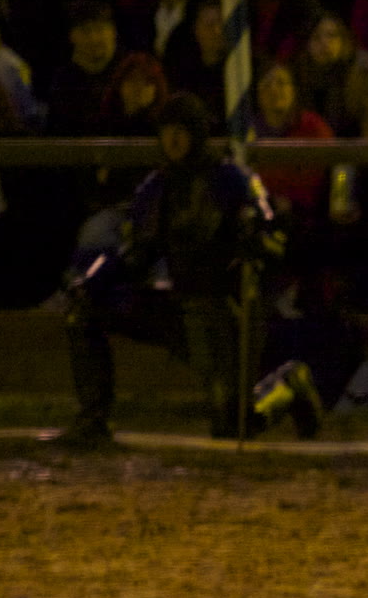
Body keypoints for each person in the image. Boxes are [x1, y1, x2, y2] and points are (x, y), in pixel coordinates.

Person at [61, 93, 281, 446]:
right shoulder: (156, 187)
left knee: (232, 422)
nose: (173, 140)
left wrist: (252, 238)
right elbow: (132, 251)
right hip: (179, 307)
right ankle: (93, 418)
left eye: (181, 131)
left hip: (228, 310)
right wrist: (92, 281)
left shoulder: (232, 179)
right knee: (83, 310)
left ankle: (288, 387)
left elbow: (273, 235)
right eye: (167, 131)